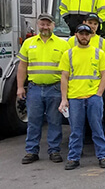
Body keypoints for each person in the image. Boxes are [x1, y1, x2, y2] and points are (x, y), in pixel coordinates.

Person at [16, 14, 70, 164]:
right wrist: (20, 87)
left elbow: (68, 70)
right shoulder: (28, 43)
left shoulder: (63, 44)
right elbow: (22, 66)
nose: (45, 27)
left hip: (55, 89)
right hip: (34, 89)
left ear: (53, 26)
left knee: (54, 121)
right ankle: (31, 151)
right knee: (34, 121)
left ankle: (54, 151)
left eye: (48, 24)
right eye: (42, 24)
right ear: (37, 24)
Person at [58, 24, 105, 170]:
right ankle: (73, 158)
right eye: (81, 34)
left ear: (91, 36)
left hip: (93, 97)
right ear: (76, 35)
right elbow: (64, 77)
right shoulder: (68, 54)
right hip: (75, 98)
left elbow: (104, 74)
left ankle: (103, 156)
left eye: (87, 34)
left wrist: (99, 93)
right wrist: (64, 98)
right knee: (76, 130)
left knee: (97, 128)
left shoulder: (98, 53)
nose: (84, 36)